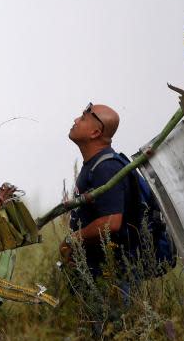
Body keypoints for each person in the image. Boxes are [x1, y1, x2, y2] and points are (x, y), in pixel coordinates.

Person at [59, 102, 140, 278]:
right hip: (97, 271)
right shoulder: (95, 165)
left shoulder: (106, 168)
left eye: (83, 118)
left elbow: (111, 222)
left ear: (95, 133)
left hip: (111, 276)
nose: (75, 120)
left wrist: (71, 240)